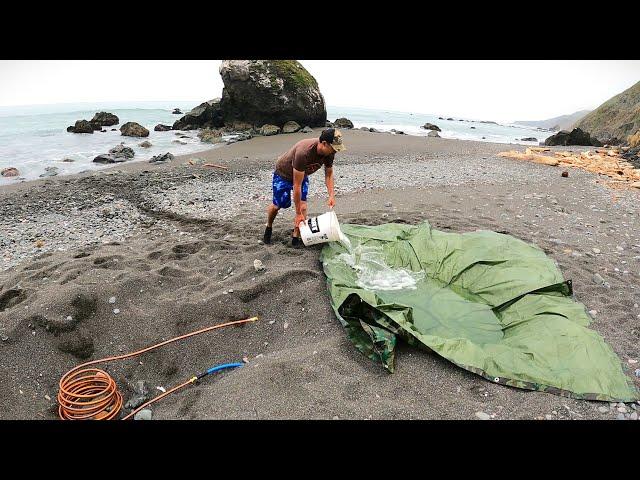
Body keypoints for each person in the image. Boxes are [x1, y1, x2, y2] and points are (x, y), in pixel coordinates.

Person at [263, 128, 346, 246]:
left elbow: (329, 174)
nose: (335, 151)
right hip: (283, 174)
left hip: (302, 174)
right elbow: (296, 185)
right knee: (278, 205)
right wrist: (297, 214)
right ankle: (269, 226)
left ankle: (296, 236)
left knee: (303, 206)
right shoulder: (304, 152)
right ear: (324, 144)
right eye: (333, 148)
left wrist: (331, 195)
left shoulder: (329, 153)